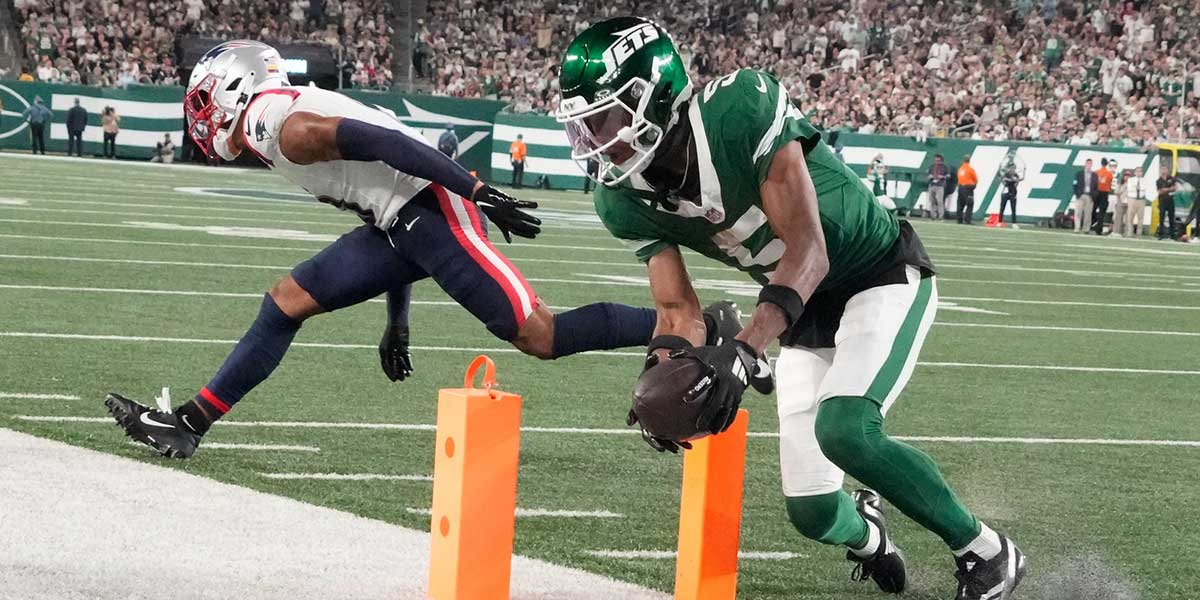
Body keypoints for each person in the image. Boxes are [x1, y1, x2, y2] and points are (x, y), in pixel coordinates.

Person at [556, 18, 1024, 600]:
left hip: (875, 273)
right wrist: (659, 371)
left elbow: (808, 251)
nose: (594, 140)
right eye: (583, 125)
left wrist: (746, 349)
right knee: (812, 511)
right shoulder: (620, 198)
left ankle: (986, 552)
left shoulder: (736, 110)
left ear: (651, 95)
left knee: (846, 428)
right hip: (800, 315)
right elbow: (677, 309)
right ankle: (871, 535)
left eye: (603, 120)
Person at [104, 40, 692, 461]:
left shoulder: (276, 125)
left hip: (435, 213)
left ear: (234, 87)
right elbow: (383, 197)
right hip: (404, 223)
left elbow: (382, 142)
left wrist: (477, 190)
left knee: (540, 335)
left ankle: (685, 327)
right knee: (285, 301)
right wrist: (399, 321)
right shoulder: (280, 114)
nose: (201, 118)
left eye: (205, 102)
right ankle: (190, 421)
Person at [1072, 159, 1098, 232]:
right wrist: (1077, 194)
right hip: (1081, 195)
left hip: (1089, 196)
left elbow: (1096, 187)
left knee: (1088, 214)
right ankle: (1077, 228)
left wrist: (1093, 196)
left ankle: (1086, 229)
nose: (1089, 165)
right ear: (1085, 164)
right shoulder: (1079, 174)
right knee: (1078, 212)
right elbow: (1074, 184)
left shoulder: (1094, 175)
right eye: (1088, 163)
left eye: (1090, 164)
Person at [998, 151, 1022, 225]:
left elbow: (1016, 183)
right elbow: (1002, 180)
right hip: (1005, 192)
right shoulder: (1005, 174)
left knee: (1013, 208)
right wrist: (1005, 179)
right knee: (1002, 208)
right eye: (1011, 167)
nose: (1012, 169)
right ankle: (1000, 222)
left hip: (1012, 192)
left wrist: (1012, 180)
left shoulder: (1016, 175)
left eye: (1013, 168)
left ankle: (1014, 223)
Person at [1123, 166, 1148, 236]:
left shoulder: (1144, 180)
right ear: (1135, 172)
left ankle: (1139, 232)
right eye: (1138, 171)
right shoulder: (1130, 180)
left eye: (1140, 171)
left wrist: (1138, 188)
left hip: (1141, 200)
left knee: (1141, 217)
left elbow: (1144, 188)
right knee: (1130, 216)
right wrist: (1137, 187)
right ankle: (1129, 232)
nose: (1139, 173)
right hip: (1132, 199)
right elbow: (1129, 189)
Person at [1156, 164, 1179, 240]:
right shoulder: (1159, 180)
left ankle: (1172, 235)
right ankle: (1161, 235)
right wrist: (1169, 189)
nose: (1163, 171)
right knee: (1161, 218)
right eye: (1162, 169)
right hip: (1162, 201)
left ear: (1167, 170)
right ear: (1160, 170)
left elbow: (1175, 188)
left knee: (1171, 218)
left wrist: (1165, 189)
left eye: (1165, 169)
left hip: (1170, 201)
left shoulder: (1171, 178)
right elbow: (1160, 191)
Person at [1093, 158, 1114, 234]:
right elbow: (1110, 183)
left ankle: (1091, 226)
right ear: (1107, 164)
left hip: (1096, 193)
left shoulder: (1096, 172)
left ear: (1101, 163)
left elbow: (1093, 183)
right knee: (1102, 212)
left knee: (1093, 210)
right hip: (1104, 193)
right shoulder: (1109, 174)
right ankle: (1099, 229)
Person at [926, 154, 948, 220]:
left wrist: (942, 176)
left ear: (941, 161)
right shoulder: (932, 167)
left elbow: (948, 176)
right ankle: (933, 216)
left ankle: (941, 216)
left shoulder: (944, 167)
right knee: (932, 201)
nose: (936, 162)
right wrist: (930, 176)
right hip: (932, 185)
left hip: (940, 185)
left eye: (938, 160)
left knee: (940, 201)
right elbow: (928, 174)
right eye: (935, 160)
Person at [956, 155, 977, 224]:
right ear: (969, 160)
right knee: (970, 204)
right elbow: (976, 179)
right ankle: (967, 220)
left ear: (963, 160)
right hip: (968, 188)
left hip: (960, 187)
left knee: (960, 204)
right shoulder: (970, 169)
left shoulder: (960, 169)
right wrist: (973, 185)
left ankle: (959, 219)